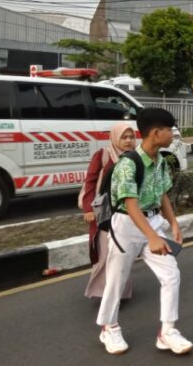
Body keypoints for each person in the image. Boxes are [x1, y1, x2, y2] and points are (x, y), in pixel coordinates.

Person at [96, 108, 192, 355]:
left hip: (153, 222)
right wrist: (151, 237)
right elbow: (130, 204)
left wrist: (173, 223)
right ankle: (109, 327)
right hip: (127, 225)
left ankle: (167, 331)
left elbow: (162, 194)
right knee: (117, 279)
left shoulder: (160, 160)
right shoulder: (128, 164)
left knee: (171, 275)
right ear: (156, 133)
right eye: (169, 130)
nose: (172, 134)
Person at [78, 123, 136, 299]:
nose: (128, 141)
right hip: (103, 213)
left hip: (125, 212)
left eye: (131, 137)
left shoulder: (135, 157)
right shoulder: (103, 155)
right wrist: (89, 209)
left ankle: (120, 293)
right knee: (104, 255)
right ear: (114, 137)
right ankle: (101, 292)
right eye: (124, 137)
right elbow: (90, 182)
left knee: (121, 254)